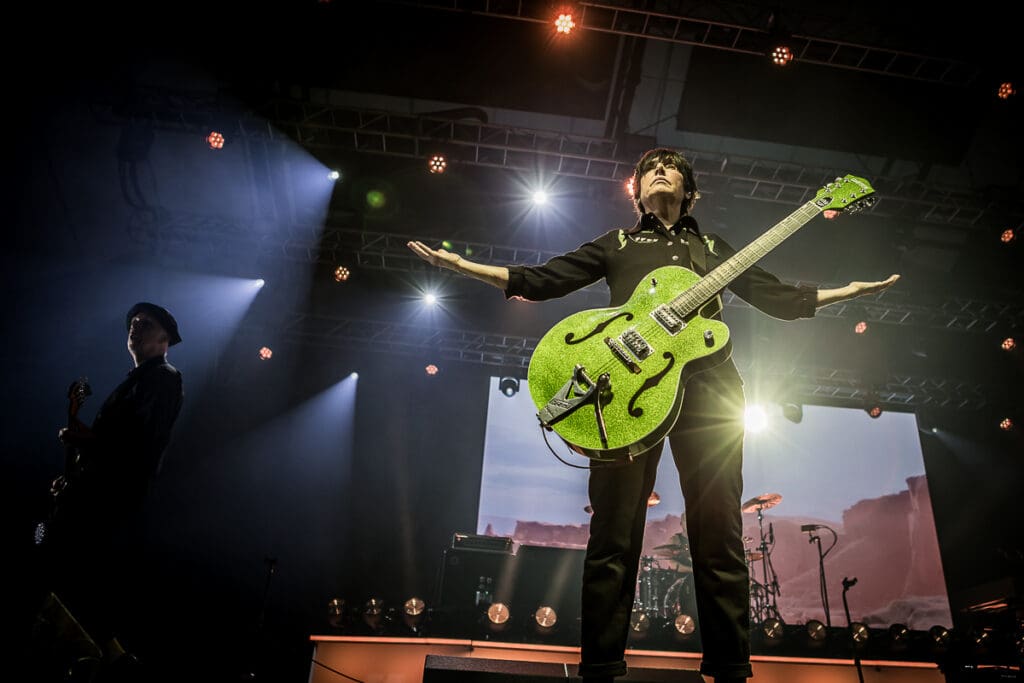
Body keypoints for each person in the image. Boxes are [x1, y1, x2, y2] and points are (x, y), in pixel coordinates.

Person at [408, 148, 898, 682]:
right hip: (624, 391)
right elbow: (544, 278)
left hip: (711, 389)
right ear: (636, 191)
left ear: (691, 191)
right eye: (649, 169)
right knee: (613, 534)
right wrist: (465, 266)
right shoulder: (616, 243)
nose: (659, 172)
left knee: (720, 533)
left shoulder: (713, 248)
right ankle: (600, 666)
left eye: (673, 168)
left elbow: (772, 295)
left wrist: (842, 292)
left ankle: (731, 667)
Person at [35, 302, 184, 679]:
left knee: (64, 562)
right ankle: (102, 652)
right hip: (99, 488)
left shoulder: (164, 378)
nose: (134, 327)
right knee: (63, 563)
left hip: (114, 494)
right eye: (132, 323)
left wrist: (89, 440)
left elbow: (141, 442)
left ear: (164, 338)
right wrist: (77, 471)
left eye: (144, 324)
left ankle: (107, 654)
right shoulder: (135, 381)